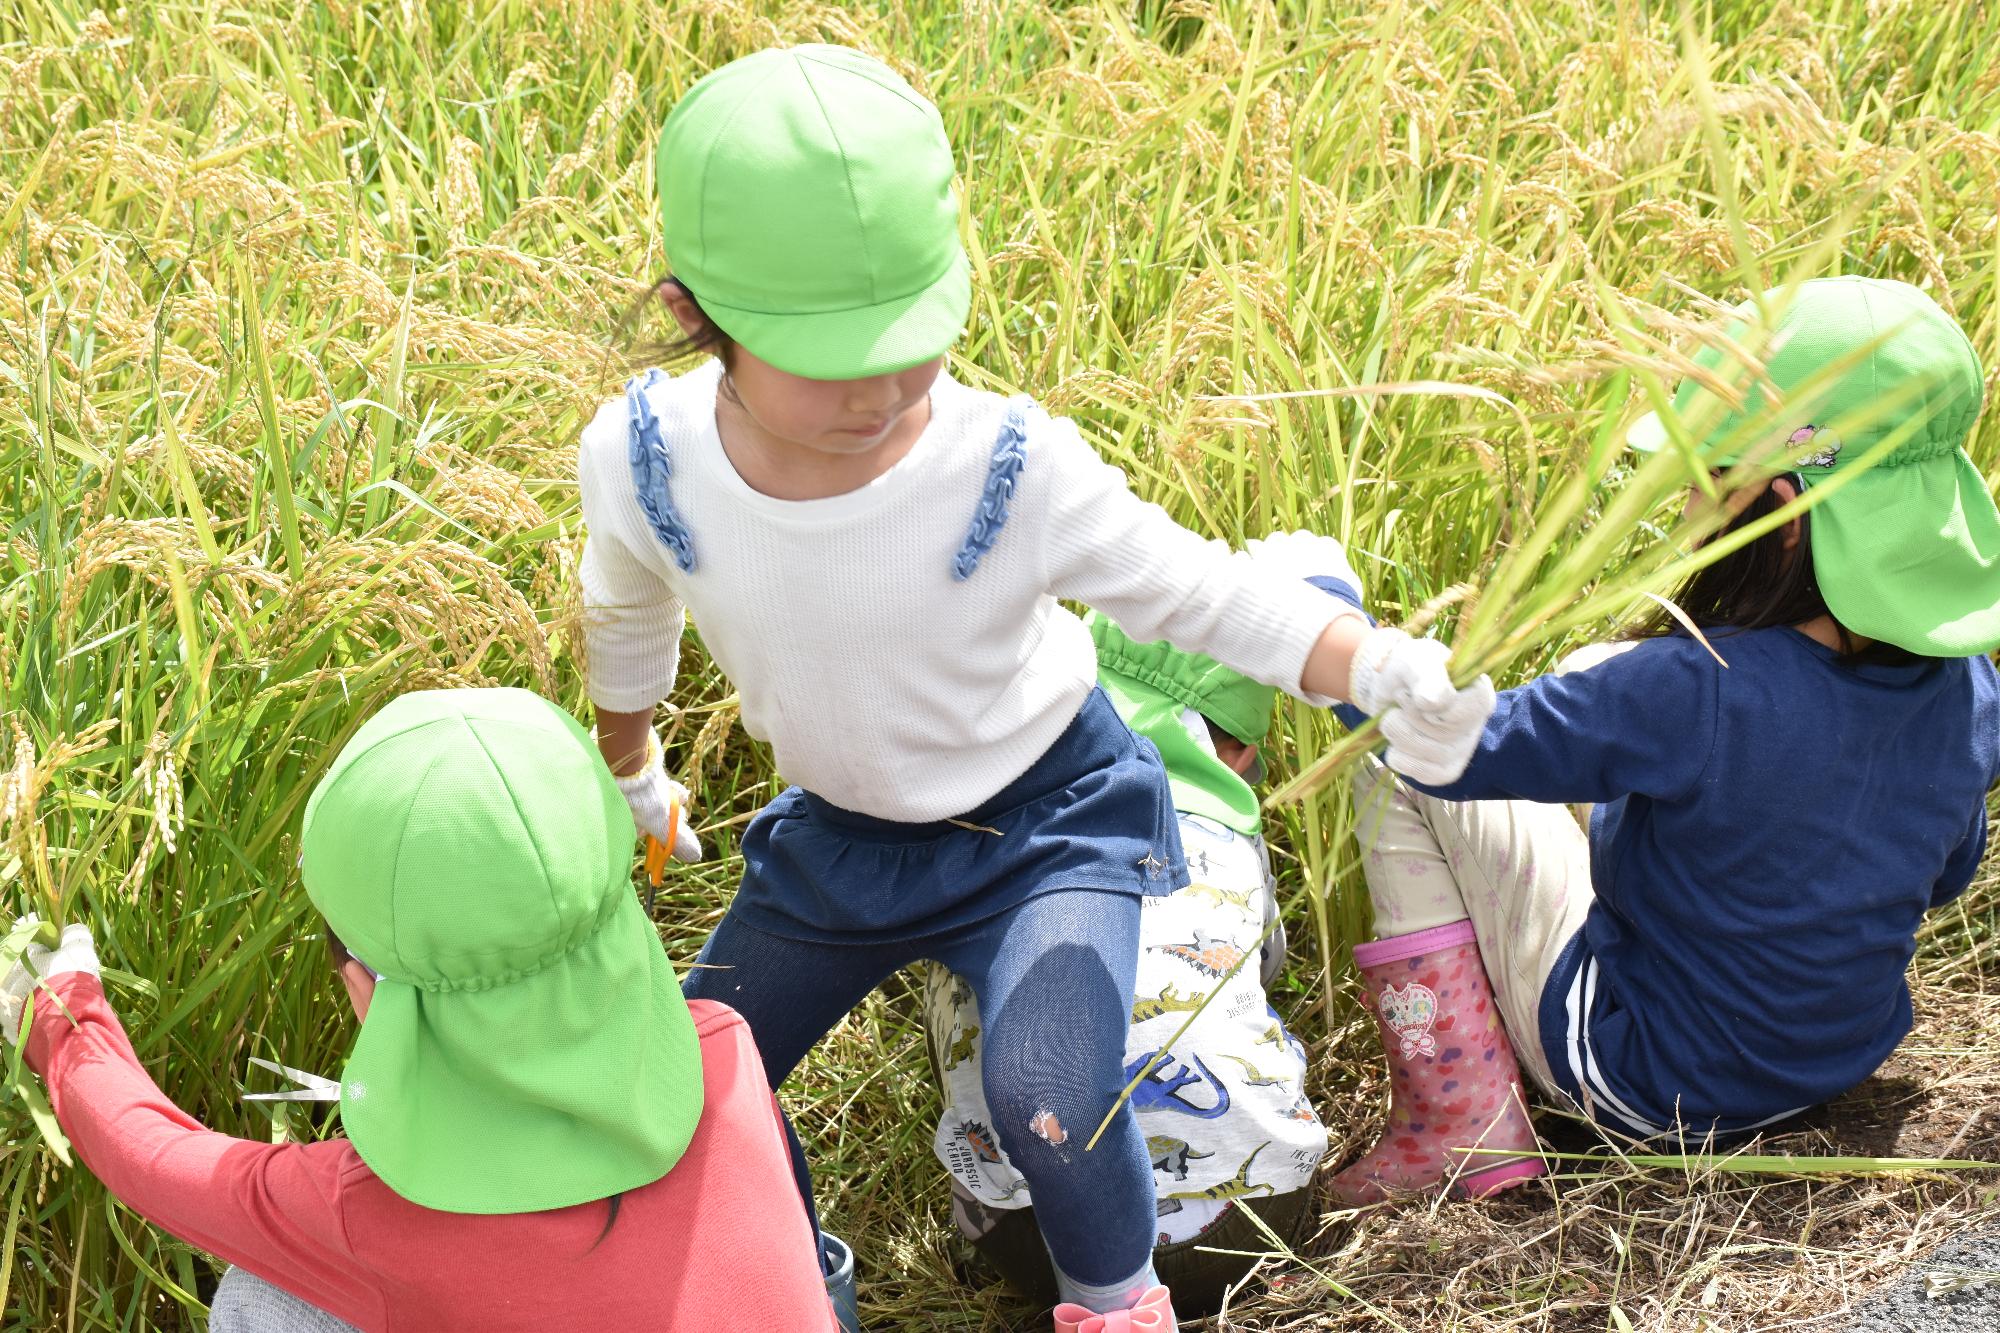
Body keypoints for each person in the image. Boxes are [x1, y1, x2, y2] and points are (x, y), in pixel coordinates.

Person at [578, 43, 1496, 1327]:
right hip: (842, 840)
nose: (887, 391)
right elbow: (624, 615)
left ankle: (1117, 1308)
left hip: (1046, 822)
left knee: (1051, 1094)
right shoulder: (645, 462)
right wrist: (631, 768)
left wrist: (1388, 668)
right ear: (696, 316)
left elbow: (1199, 595)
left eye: (914, 341)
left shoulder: (1004, 464)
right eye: (835, 362)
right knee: (685, 1077)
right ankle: (797, 1292)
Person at [1329, 276, 2000, 1204]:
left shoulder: (1691, 687)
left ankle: (1457, 1120)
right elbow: (1944, 871)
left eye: (1700, 481)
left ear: (1783, 515)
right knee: (1607, 690)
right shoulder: (1971, 685)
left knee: (1390, 767)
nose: (1684, 505)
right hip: (1831, 1059)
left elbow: (1444, 747)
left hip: (1649, 1081)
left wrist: (1334, 645)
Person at [2, 688, 835, 1331]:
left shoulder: (372, 1215)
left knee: (270, 1300)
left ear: (364, 987)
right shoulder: (722, 1052)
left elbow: (155, 1159)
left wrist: (61, 1009)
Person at [923, 536, 1362, 1315]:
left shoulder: (991, 823)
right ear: (1235, 748)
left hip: (1031, 1244)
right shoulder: (1221, 833)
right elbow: (1259, 968)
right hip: (1247, 1222)